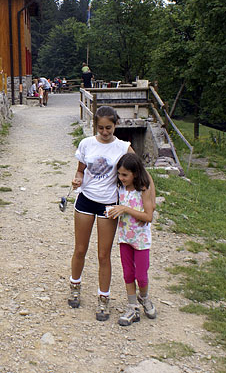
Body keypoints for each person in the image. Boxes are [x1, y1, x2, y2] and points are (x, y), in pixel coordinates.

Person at [68, 106, 133, 321]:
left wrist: (144, 194)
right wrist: (78, 179)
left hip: (109, 205)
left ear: (115, 125)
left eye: (109, 127)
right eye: (101, 128)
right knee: (80, 249)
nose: (105, 132)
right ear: (95, 126)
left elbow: (138, 169)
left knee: (104, 255)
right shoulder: (87, 143)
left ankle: (103, 299)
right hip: (86, 200)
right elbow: (80, 169)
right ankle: (74, 286)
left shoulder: (123, 147)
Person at [108, 153, 157, 326]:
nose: (121, 178)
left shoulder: (142, 189)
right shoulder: (120, 188)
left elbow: (148, 216)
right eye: (119, 174)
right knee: (128, 273)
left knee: (141, 276)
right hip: (125, 238)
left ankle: (144, 297)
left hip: (141, 240)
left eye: (125, 175)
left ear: (135, 174)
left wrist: (125, 209)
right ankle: (132, 307)